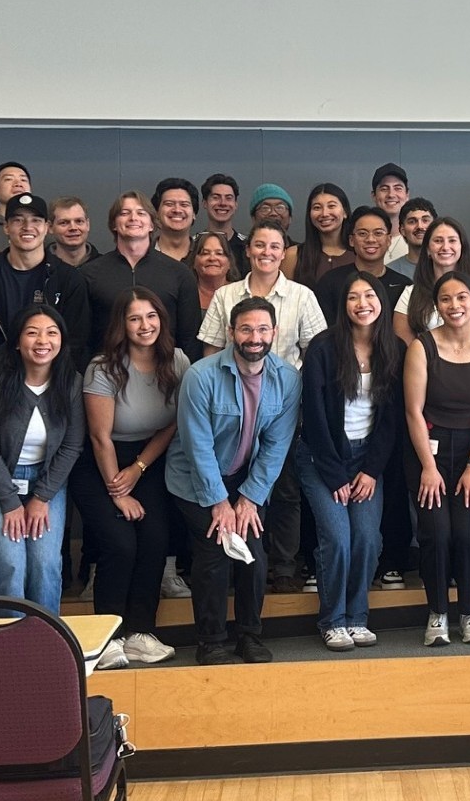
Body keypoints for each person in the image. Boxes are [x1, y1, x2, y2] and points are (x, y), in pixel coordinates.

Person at [167, 297, 300, 664]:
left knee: (254, 552)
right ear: (231, 333)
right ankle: (210, 640)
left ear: (274, 332)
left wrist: (249, 498)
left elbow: (276, 446)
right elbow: (198, 446)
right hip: (196, 479)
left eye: (262, 329)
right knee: (216, 546)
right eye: (245, 329)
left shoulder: (288, 379)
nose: (254, 337)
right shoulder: (201, 375)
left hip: (246, 478)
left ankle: (249, 636)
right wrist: (219, 503)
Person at [199, 221, 326, 594]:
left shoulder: (302, 296)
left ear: (284, 251)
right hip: (231, 407)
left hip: (281, 408)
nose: (267, 252)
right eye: (259, 245)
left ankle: (283, 566)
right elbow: (209, 350)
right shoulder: (226, 296)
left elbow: (315, 354)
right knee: (233, 486)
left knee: (283, 489)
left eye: (275, 246)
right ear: (248, 250)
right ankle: (238, 562)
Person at [75, 287, 188, 668]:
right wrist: (119, 491)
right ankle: (108, 638)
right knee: (121, 544)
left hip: (149, 459)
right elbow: (98, 437)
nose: (145, 325)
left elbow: (173, 423)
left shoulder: (178, 361)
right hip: (100, 463)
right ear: (122, 324)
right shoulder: (103, 366)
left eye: (151, 316)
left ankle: (141, 632)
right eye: (135, 318)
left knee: (155, 540)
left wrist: (139, 468)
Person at [402, 272, 470, 646]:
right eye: (446, 299)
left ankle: (469, 610)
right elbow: (413, 412)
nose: (455, 306)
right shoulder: (422, 347)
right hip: (426, 450)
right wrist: (428, 468)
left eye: (462, 298)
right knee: (436, 533)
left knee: (468, 534)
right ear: (436, 305)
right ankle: (437, 613)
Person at [299, 273, 402, 650]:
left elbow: (391, 420)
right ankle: (333, 619)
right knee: (338, 539)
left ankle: (358, 617)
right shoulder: (323, 349)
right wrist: (335, 473)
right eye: (353, 297)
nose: (362, 303)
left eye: (369, 295)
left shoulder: (395, 348)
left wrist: (371, 470)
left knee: (367, 538)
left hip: (366, 461)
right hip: (321, 458)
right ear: (343, 306)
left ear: (381, 302)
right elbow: (313, 415)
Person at [0, 305, 86, 615]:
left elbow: (72, 445)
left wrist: (41, 497)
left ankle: (47, 647)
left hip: (47, 483)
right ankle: (8, 649)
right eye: (32, 333)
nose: (42, 341)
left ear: (61, 341)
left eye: (51, 333)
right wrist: (9, 502)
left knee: (45, 564)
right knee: (9, 564)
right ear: (18, 342)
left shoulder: (71, 383)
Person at [0, 193, 90, 372]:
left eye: (36, 220)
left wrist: (45, 379)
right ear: (6, 227)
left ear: (47, 227)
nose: (27, 227)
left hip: (54, 384)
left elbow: (76, 340)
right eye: (18, 220)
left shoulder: (68, 278)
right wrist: (1, 376)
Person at [79, 190, 199, 360]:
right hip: (106, 375)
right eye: (124, 213)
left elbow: (190, 339)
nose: (133, 218)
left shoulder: (179, 274)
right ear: (114, 224)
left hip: (166, 375)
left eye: (141, 213)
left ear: (152, 224)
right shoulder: (89, 274)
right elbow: (81, 339)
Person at [395, 217, 470, 345]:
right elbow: (405, 350)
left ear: (461, 247)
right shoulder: (410, 294)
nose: (445, 247)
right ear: (428, 249)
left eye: (452, 240)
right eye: (438, 241)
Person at [317, 205, 410, 321]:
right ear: (351, 240)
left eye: (378, 233)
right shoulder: (330, 281)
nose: (370, 239)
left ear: (389, 240)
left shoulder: (403, 285)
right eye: (362, 233)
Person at [286, 182, 354, 287]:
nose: (324, 213)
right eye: (317, 208)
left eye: (331, 206)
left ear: (345, 212)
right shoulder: (293, 255)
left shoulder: (359, 255)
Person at [189, 230, 239, 347]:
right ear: (194, 262)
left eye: (219, 253)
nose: (212, 258)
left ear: (229, 262)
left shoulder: (241, 294)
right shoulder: (185, 295)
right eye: (205, 253)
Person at [371, 163, 412, 264]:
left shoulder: (417, 240)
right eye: (384, 189)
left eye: (398, 188)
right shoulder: (365, 241)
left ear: (407, 195)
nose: (391, 194)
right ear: (374, 196)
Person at [151, 177, 199, 263]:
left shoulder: (205, 256)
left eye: (184, 205)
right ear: (157, 212)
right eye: (169, 204)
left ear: (194, 214)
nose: (177, 210)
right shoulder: (142, 254)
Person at [201, 173, 244, 263]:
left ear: (236, 204)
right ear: (205, 203)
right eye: (216, 197)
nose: (223, 203)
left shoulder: (248, 246)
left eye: (228, 198)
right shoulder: (192, 246)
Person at [389, 196, 436, 278]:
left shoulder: (446, 266)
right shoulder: (390, 271)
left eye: (425, 220)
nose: (420, 226)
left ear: (435, 227)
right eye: (412, 222)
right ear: (402, 230)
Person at [49, 196, 99, 268]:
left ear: (87, 225)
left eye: (79, 221)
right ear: (50, 227)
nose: (73, 228)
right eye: (64, 223)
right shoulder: (38, 269)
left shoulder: (106, 268)